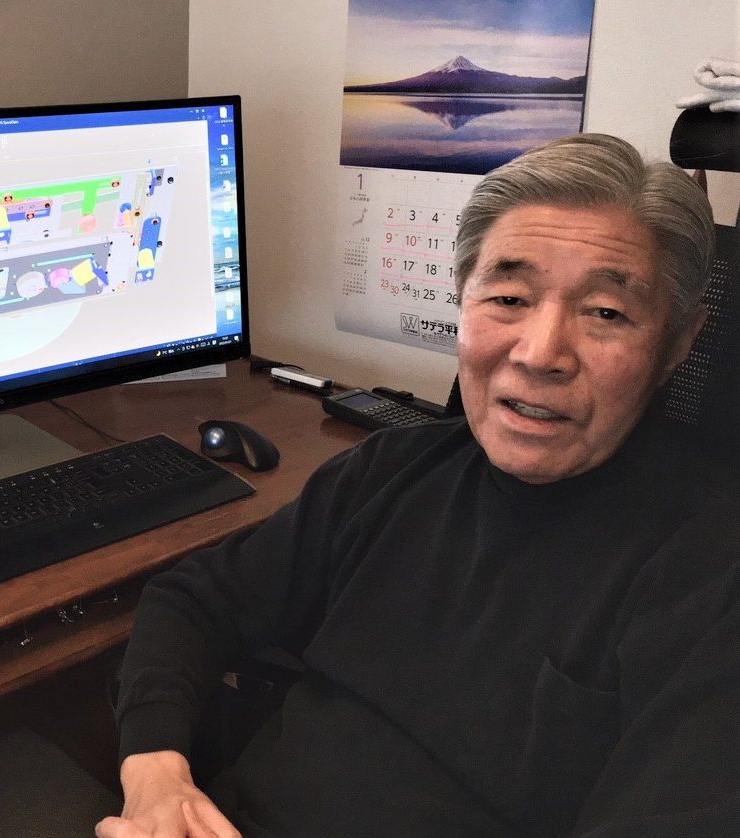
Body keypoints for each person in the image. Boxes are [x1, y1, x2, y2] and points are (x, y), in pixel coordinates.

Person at [95, 133, 740, 837]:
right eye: (508, 297)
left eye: (605, 313)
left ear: (679, 341)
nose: (539, 353)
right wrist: (156, 780)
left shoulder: (710, 574)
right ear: (462, 301)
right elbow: (193, 599)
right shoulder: (391, 471)